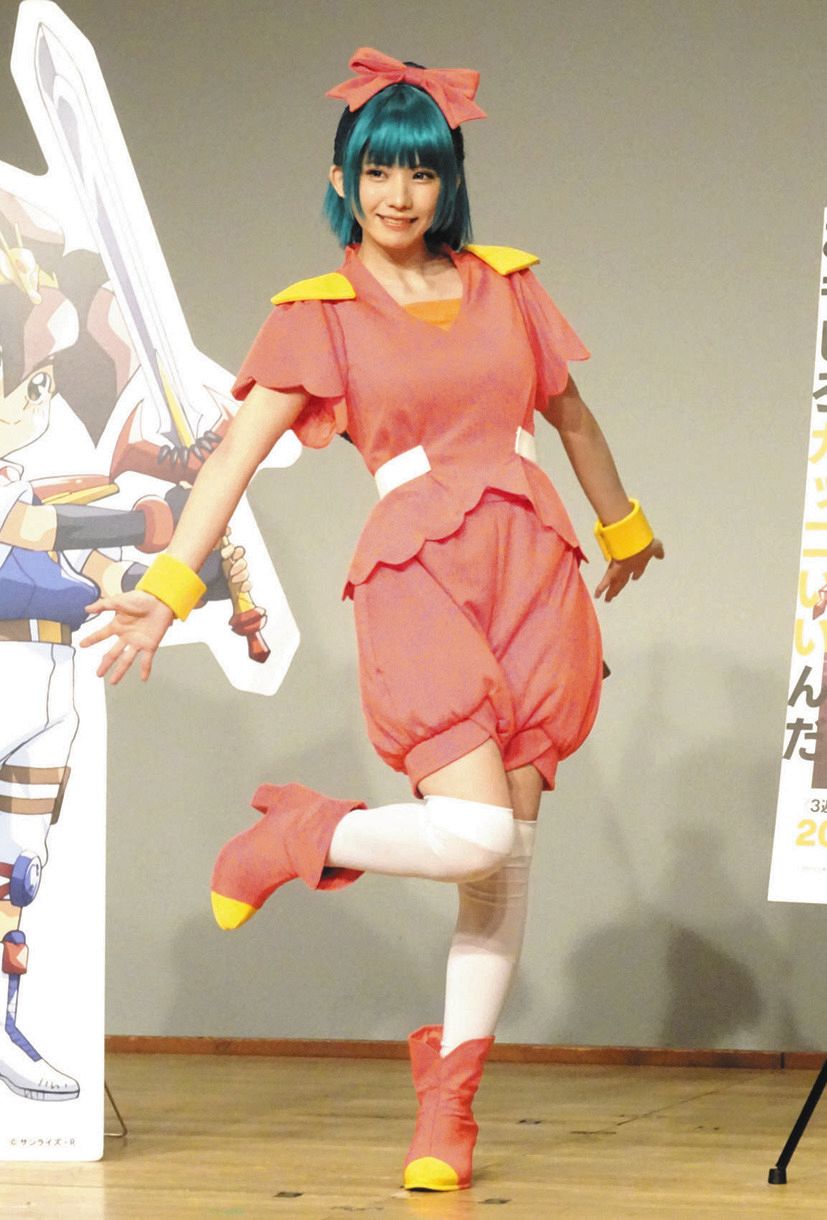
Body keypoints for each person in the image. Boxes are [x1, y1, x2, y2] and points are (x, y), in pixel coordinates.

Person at [82, 47, 664, 1192]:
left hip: (532, 564)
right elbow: (228, 462)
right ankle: (303, 833)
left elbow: (572, 415)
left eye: (422, 171)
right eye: (379, 172)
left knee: (505, 859)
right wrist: (170, 586)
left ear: (450, 181)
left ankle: (449, 1105)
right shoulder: (322, 314)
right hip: (418, 570)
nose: (400, 194)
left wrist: (621, 527)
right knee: (474, 833)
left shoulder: (506, 285)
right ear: (341, 180)